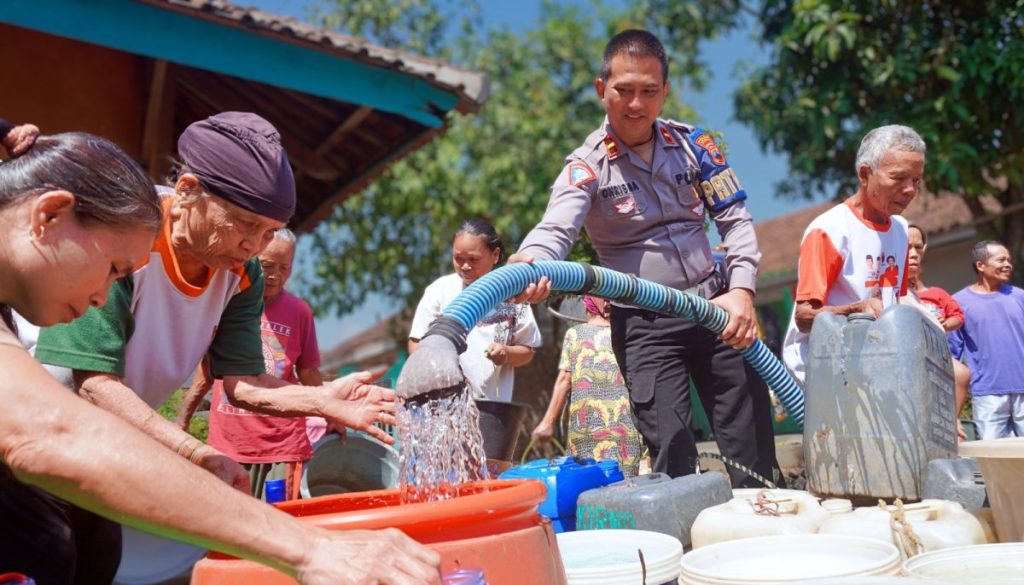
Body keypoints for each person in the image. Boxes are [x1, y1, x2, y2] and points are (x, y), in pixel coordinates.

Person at [0, 131, 440, 584]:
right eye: (244, 224)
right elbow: (58, 420)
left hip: (92, 447)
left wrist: (320, 399)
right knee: (50, 549)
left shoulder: (237, 274)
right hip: (61, 448)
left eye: (267, 233)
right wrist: (308, 547)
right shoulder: (130, 231)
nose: (254, 246)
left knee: (93, 560)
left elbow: (242, 377)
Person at [510, 30, 779, 486]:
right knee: (673, 454)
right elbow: (556, 227)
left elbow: (735, 219)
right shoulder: (587, 165)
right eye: (624, 90)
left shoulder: (695, 145)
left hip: (719, 310)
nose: (636, 104)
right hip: (646, 326)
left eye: (649, 91)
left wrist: (742, 291)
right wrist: (531, 262)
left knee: (750, 446)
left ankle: (765, 526)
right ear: (602, 91)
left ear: (665, 92)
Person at [178, 228, 325, 501]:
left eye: (285, 268)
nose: (275, 275)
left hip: (281, 444)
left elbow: (307, 371)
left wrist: (332, 414)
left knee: (279, 522)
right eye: (268, 265)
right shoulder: (227, 301)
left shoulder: (299, 311)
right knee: (226, 525)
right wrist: (180, 423)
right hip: (230, 442)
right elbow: (207, 372)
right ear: (253, 258)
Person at [781, 125, 925, 386]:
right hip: (827, 370)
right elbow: (804, 318)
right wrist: (856, 311)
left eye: (916, 180)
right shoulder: (830, 230)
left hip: (878, 363)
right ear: (865, 174)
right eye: (898, 178)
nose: (910, 190)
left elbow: (895, 300)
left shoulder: (902, 230)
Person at [409, 218, 542, 403]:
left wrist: (506, 353)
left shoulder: (514, 294)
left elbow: (527, 351)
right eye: (458, 258)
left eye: (473, 259)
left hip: (492, 405)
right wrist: (437, 369)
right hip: (445, 404)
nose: (465, 266)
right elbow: (416, 342)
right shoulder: (439, 291)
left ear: (495, 255)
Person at [532, 296, 644, 476]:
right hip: (625, 430)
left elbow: (564, 381)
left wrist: (548, 422)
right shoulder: (629, 335)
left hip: (585, 430)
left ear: (587, 306)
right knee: (625, 488)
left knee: (589, 489)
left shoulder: (575, 334)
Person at [949, 241, 1024, 439]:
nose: (1008, 264)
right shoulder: (958, 303)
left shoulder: (1020, 297)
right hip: (987, 394)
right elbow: (952, 356)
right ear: (981, 265)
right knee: (994, 462)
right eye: (1001, 260)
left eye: (1009, 260)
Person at [906, 224, 970, 440]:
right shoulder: (890, 287)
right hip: (909, 354)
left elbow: (958, 316)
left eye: (918, 247)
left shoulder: (936, 294)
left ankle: (953, 420)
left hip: (936, 353)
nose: (914, 254)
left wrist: (944, 324)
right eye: (907, 248)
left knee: (961, 373)